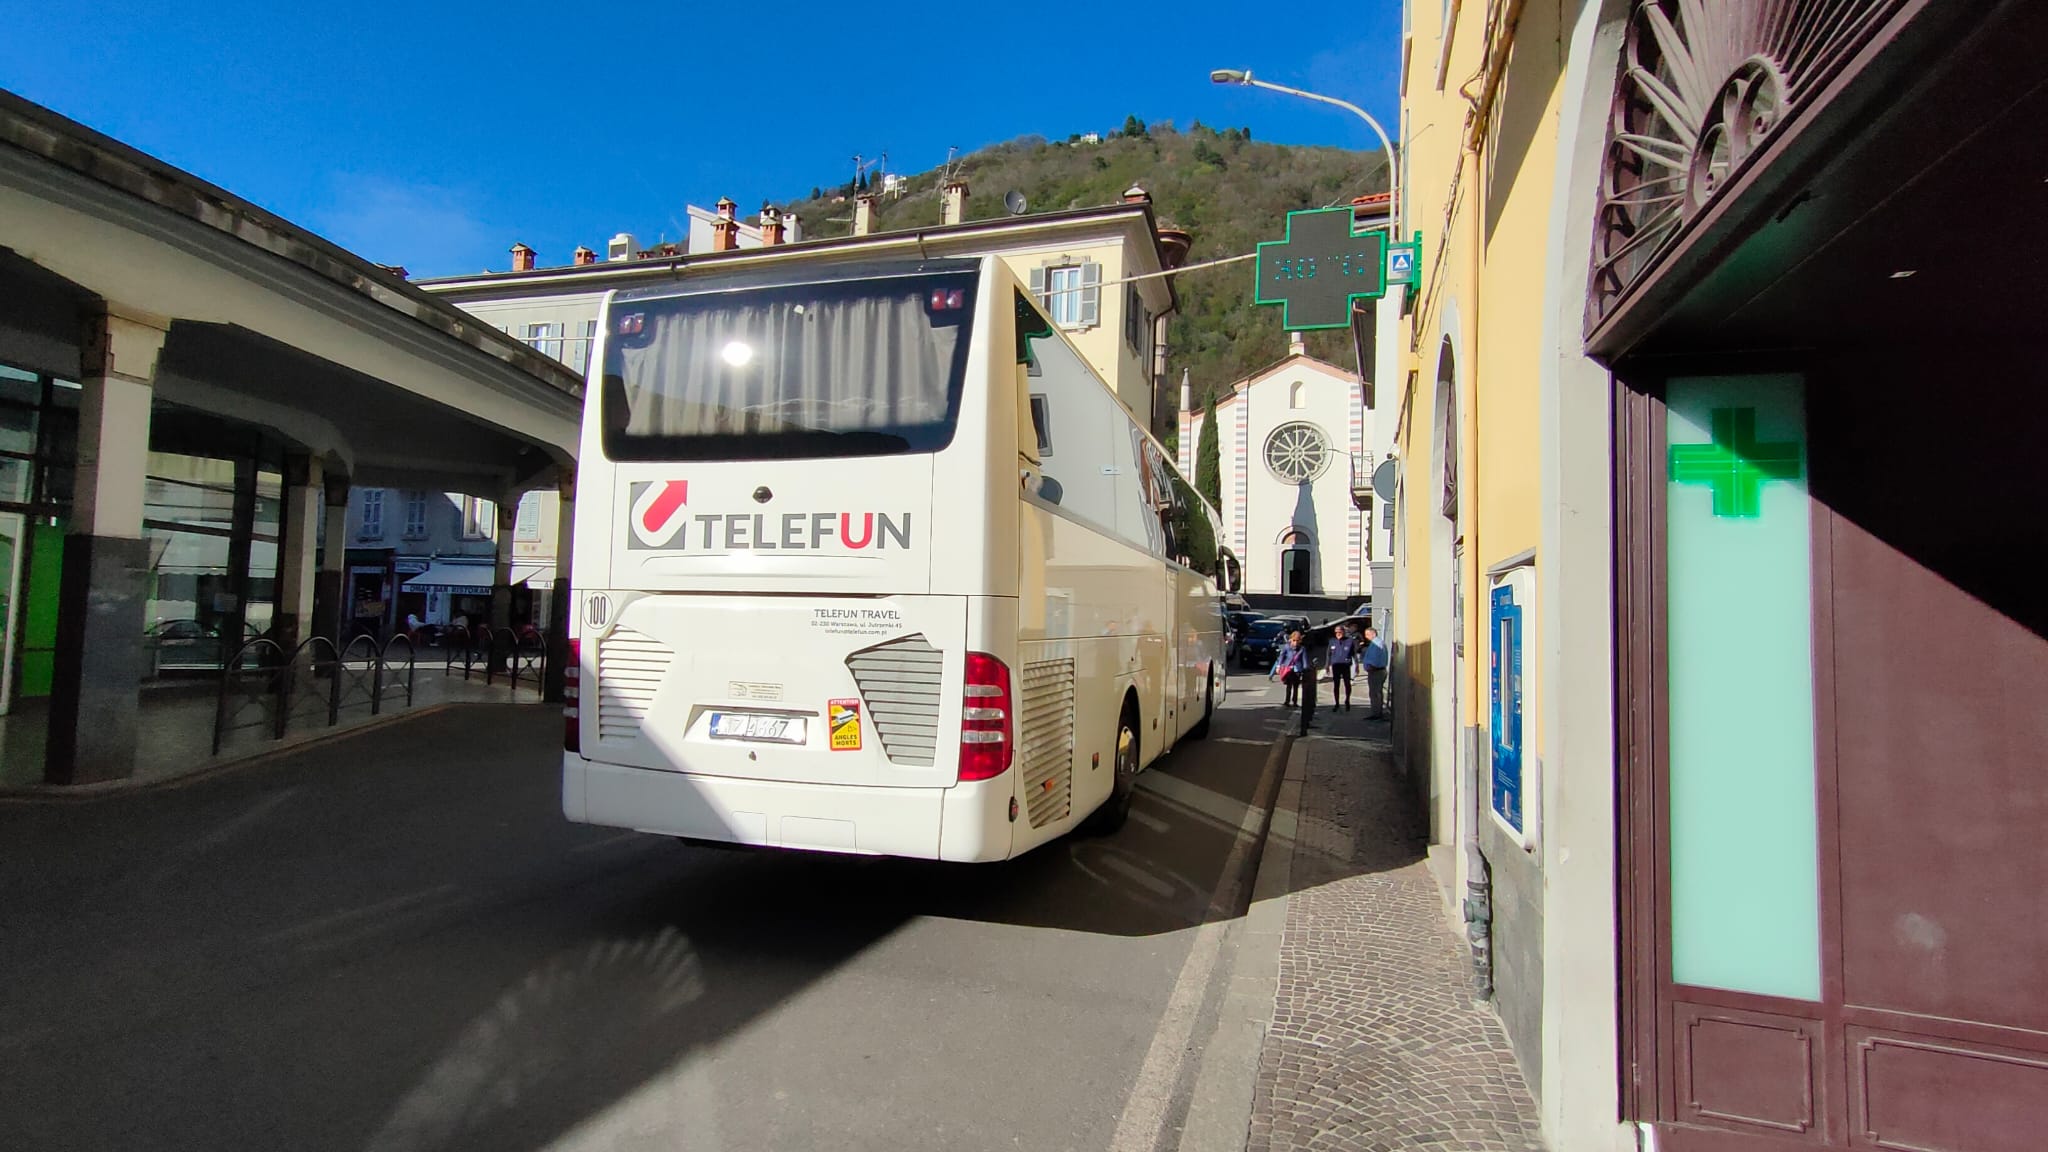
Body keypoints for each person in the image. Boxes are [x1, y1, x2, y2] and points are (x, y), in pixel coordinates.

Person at [1270, 630, 1309, 708]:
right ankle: (1287, 701)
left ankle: (1294, 702)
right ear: (1291, 639)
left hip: (1297, 670)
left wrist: (1305, 670)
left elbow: (1305, 660)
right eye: (1294, 640)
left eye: (1297, 641)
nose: (1295, 642)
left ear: (1300, 641)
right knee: (1289, 686)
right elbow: (1282, 657)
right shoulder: (1287, 647)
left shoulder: (1302, 649)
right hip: (1288, 669)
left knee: (1296, 686)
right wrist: (1278, 666)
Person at [1361, 625, 1390, 718]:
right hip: (1376, 671)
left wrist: (1370, 667)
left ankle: (1377, 714)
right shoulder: (1376, 643)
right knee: (1375, 693)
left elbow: (1374, 659)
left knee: (1375, 693)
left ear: (1373, 634)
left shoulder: (1377, 644)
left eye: (1367, 634)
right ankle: (1376, 712)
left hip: (1376, 671)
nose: (1366, 636)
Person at [1326, 624, 1357, 711]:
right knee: (1336, 685)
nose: (1338, 634)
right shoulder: (1332, 641)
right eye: (1336, 632)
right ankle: (1337, 703)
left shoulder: (1349, 641)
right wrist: (1327, 665)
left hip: (1345, 665)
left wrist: (1357, 665)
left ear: (1343, 632)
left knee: (1347, 684)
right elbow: (1328, 654)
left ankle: (1347, 700)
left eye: (1340, 632)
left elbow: (1354, 654)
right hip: (1336, 665)